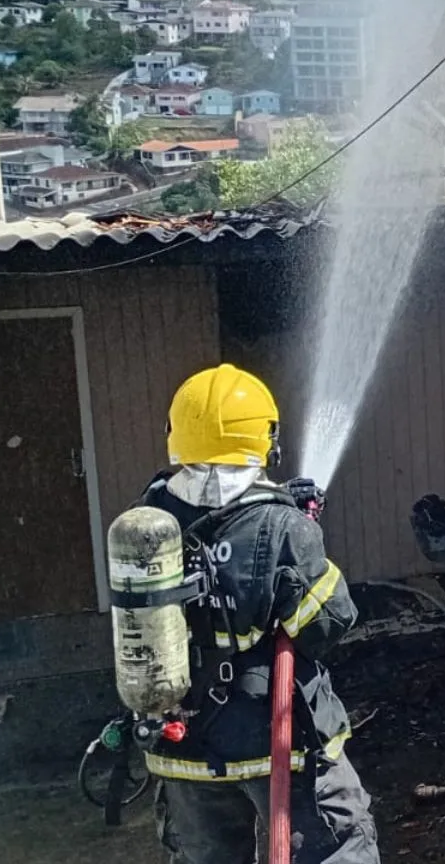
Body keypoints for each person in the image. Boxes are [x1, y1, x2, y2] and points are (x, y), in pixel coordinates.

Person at [138, 364, 379, 864]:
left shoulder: (151, 519)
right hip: (275, 743)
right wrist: (302, 536)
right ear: (264, 439)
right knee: (339, 848)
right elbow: (328, 622)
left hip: (181, 748)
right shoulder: (284, 527)